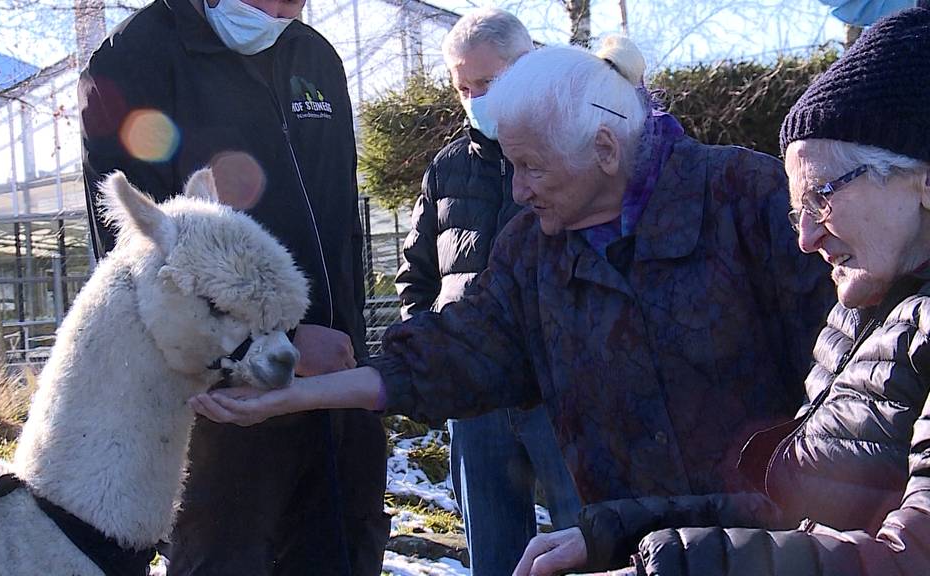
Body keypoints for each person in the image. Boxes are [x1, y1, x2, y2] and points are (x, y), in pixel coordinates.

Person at [189, 38, 836, 572]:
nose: (518, 190)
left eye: (531, 167)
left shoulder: (750, 203)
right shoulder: (534, 248)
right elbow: (460, 351)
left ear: (605, 151)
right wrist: (290, 395)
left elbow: (845, 417)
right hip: (633, 555)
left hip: (786, 552)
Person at [516, 7, 930, 575]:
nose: (805, 239)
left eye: (823, 198)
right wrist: (620, 533)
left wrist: (670, 567)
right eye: (796, 213)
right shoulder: (866, 312)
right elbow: (797, 503)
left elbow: (910, 561)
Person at [78, 0, 389, 574]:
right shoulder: (136, 59)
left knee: (342, 547)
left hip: (336, 390)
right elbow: (147, 264)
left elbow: (345, 227)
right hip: (225, 410)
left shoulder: (314, 56)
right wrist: (286, 340)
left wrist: (347, 352)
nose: (285, 8)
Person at [395, 9, 582, 574]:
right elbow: (417, 275)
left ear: (528, 67)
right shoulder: (446, 167)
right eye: (463, 88)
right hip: (474, 397)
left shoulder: (574, 151)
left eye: (489, 83)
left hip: (562, 393)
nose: (475, 98)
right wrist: (432, 358)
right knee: (494, 555)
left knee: (590, 540)